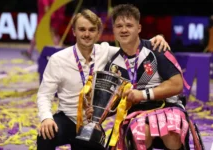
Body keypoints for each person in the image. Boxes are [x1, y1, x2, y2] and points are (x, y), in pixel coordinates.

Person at [36, 8, 170, 150]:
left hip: (93, 124)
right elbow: (44, 94)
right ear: (74, 32)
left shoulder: (107, 52)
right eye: (82, 29)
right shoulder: (58, 59)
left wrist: (156, 39)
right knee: (45, 134)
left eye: (92, 30)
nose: (87, 34)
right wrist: (46, 118)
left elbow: (133, 46)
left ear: (98, 33)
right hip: (68, 118)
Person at [104, 4, 188, 150]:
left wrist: (142, 94)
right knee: (142, 133)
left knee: (171, 132)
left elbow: (177, 84)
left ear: (139, 28)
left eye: (129, 25)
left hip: (167, 106)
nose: (124, 30)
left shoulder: (157, 49)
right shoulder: (112, 65)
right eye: (119, 26)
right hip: (136, 114)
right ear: (114, 30)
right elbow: (111, 103)